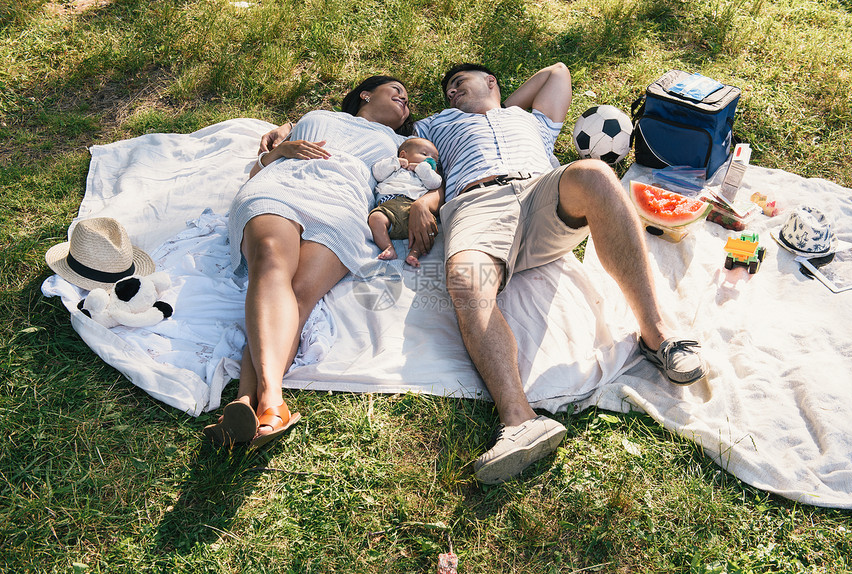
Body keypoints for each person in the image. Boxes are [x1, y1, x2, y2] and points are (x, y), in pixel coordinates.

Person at [413, 62, 709, 484]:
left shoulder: (531, 121)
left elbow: (558, 72)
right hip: (476, 203)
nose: (452, 93)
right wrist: (426, 198)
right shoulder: (437, 124)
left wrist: (500, 106)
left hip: (541, 192)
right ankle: (519, 422)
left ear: (493, 82)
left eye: (461, 84)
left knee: (594, 174)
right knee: (466, 280)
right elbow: (408, 155)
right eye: (449, 91)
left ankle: (656, 334)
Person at [204, 75, 440, 448]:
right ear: (365, 94)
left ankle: (246, 401)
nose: (404, 101)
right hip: (282, 184)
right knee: (269, 264)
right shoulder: (315, 116)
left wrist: (425, 204)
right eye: (396, 92)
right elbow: (257, 168)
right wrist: (276, 151)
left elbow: (435, 180)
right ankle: (273, 402)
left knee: (299, 296)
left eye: (407, 102)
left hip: (344, 204)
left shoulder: (402, 144)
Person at [368, 137, 443, 267]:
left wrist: (422, 169)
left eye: (434, 159)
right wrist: (396, 162)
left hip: (413, 211)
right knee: (376, 218)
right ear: (403, 154)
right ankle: (388, 247)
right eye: (424, 154)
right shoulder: (395, 167)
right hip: (389, 205)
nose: (429, 159)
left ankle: (414, 253)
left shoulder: (425, 174)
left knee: (429, 228)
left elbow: (435, 183)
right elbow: (378, 173)